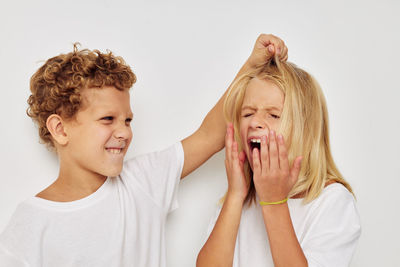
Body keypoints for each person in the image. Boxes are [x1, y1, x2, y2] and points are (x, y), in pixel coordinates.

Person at [0, 35, 287, 266]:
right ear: (61, 129)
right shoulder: (30, 224)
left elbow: (211, 135)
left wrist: (252, 65)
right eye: (107, 119)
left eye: (127, 120)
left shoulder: (143, 182)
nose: (124, 131)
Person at [197, 56, 361, 267]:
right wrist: (235, 196)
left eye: (273, 115)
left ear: (305, 131)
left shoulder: (333, 202)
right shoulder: (239, 199)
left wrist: (274, 202)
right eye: (247, 113)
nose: (255, 122)